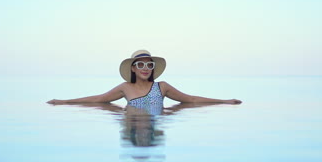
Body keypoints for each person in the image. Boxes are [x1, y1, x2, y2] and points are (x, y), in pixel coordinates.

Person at [47, 49, 242, 105]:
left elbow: (190, 99)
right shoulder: (125, 88)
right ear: (133, 68)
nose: (146, 68)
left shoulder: (162, 87)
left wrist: (224, 101)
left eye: (149, 64)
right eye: (141, 64)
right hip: (130, 121)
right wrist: (65, 101)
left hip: (158, 120)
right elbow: (99, 99)